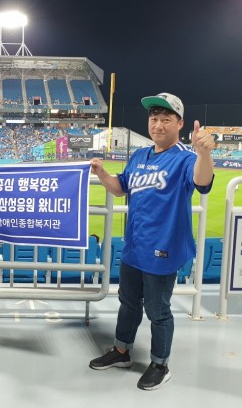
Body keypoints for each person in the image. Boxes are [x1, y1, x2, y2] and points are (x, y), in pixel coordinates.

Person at [89, 92, 215, 391]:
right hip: (135, 245)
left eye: (166, 119)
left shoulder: (185, 158)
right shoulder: (139, 156)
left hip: (164, 246)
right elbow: (120, 188)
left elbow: (202, 182)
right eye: (154, 118)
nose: (158, 125)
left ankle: (160, 364)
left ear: (180, 123)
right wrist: (102, 174)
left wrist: (204, 154)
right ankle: (121, 351)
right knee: (128, 302)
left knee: (157, 310)